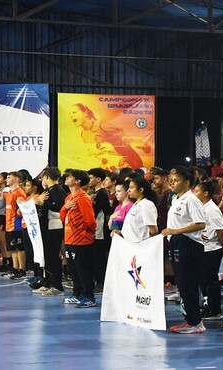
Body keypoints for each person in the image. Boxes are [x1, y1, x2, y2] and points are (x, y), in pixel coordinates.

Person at [162, 167, 207, 334]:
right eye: (171, 179)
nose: (172, 182)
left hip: (188, 244)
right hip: (176, 242)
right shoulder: (176, 199)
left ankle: (196, 322)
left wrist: (176, 231)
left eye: (176, 180)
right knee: (182, 283)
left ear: (187, 182)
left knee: (188, 284)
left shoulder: (192, 200)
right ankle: (189, 319)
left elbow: (200, 224)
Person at [60, 170, 97, 308]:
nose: (67, 178)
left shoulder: (83, 198)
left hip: (81, 240)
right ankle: (77, 294)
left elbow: (90, 221)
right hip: (69, 239)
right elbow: (62, 218)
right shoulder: (69, 197)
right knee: (73, 269)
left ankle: (89, 296)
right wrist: (65, 208)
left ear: (77, 181)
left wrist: (86, 234)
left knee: (83, 269)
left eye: (70, 177)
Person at [70, 103, 145, 169]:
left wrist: (142, 145)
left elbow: (125, 138)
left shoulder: (102, 126)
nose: (71, 115)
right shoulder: (84, 134)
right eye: (69, 114)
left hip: (130, 163)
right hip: (112, 167)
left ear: (85, 113)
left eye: (74, 112)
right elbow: (96, 151)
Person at [193, 179, 223, 321]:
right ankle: (208, 306)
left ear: (205, 193)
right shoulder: (201, 207)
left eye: (198, 191)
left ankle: (215, 309)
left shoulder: (212, 209)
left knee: (210, 280)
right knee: (203, 280)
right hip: (203, 248)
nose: (195, 193)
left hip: (212, 249)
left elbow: (220, 231)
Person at [32, 167, 67, 296]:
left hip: (54, 226)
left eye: (43, 177)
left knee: (52, 256)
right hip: (46, 226)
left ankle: (57, 285)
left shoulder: (57, 189)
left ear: (47, 177)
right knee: (46, 256)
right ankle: (48, 282)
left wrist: (43, 203)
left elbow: (60, 207)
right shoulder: (48, 190)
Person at [119, 178, 159, 243]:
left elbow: (153, 230)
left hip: (140, 245)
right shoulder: (136, 204)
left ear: (141, 190)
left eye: (131, 188)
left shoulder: (146, 204)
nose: (128, 191)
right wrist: (121, 232)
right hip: (129, 244)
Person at [5, 171, 29, 279]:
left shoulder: (19, 192)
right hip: (9, 224)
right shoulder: (10, 192)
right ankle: (15, 268)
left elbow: (22, 209)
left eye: (9, 177)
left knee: (20, 248)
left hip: (17, 224)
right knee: (13, 248)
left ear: (16, 179)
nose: (7, 179)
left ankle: (22, 269)